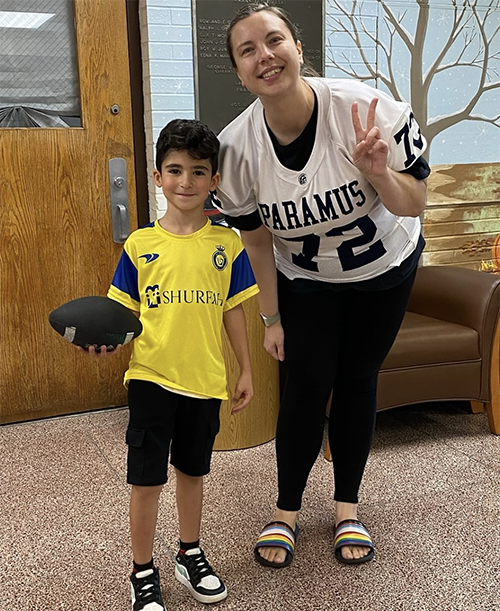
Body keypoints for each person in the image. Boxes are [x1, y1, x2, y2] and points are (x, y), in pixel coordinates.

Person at [214, 3, 430, 568]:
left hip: (384, 269)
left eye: (274, 40)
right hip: (305, 278)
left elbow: (416, 202)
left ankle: (347, 508)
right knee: (306, 386)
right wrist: (271, 316)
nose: (265, 56)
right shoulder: (236, 150)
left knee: (358, 378)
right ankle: (285, 511)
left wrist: (380, 172)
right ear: (238, 73)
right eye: (248, 50)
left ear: (298, 47)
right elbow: (257, 241)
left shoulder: (362, 108)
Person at [87, 119, 259, 609]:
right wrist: (103, 342)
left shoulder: (227, 245)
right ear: (158, 176)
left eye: (199, 171)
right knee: (146, 479)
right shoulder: (140, 245)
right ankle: (142, 571)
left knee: (192, 471)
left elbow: (233, 311)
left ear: (214, 181)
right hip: (151, 378)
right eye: (175, 170)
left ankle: (189, 552)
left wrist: (244, 369)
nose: (186, 182)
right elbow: (122, 316)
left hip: (205, 381)